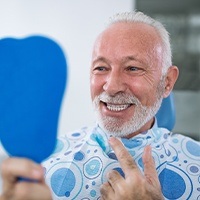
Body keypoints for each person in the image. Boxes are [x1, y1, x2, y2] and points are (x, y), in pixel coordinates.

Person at [0, 11, 200, 200]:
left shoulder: (196, 163)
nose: (111, 87)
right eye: (101, 68)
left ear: (167, 82)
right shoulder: (42, 166)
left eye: (132, 68)